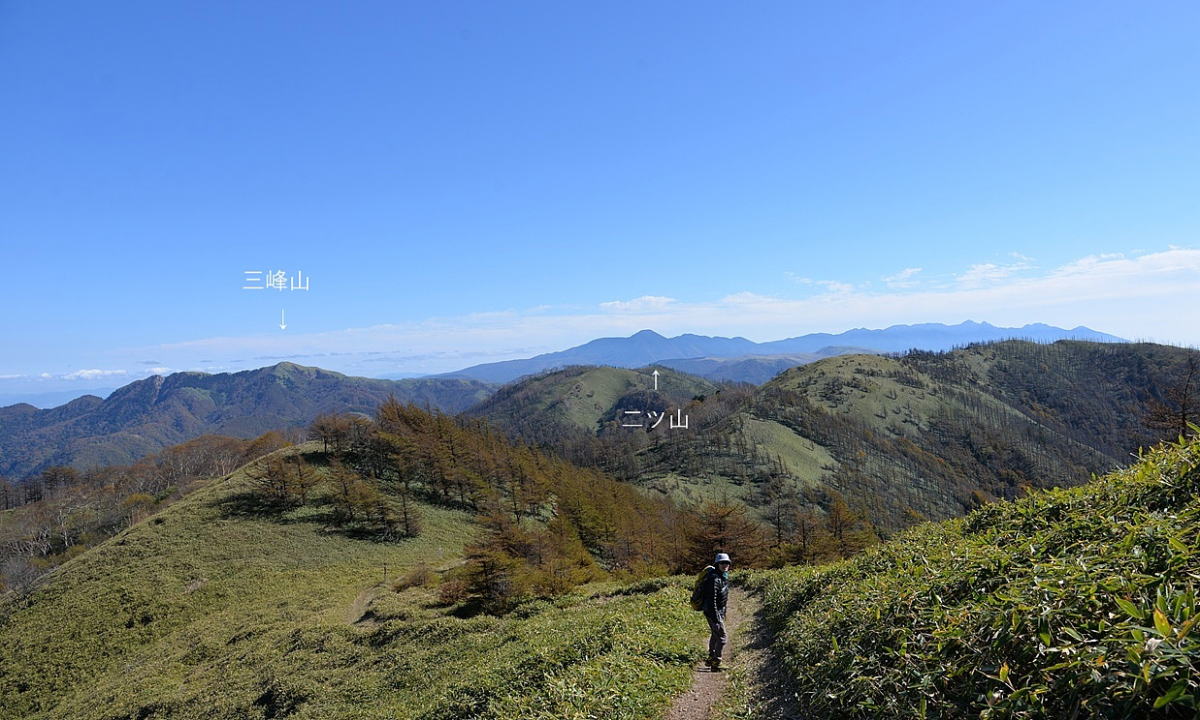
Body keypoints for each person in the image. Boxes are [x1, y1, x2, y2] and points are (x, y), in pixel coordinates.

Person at [698, 552, 732, 670]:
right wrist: (716, 616)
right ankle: (717, 661)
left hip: (716, 611)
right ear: (717, 564)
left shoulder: (722, 576)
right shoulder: (714, 579)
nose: (725, 565)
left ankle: (711, 657)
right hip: (713, 612)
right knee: (722, 637)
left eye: (727, 562)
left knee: (715, 634)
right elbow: (712, 599)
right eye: (722, 563)